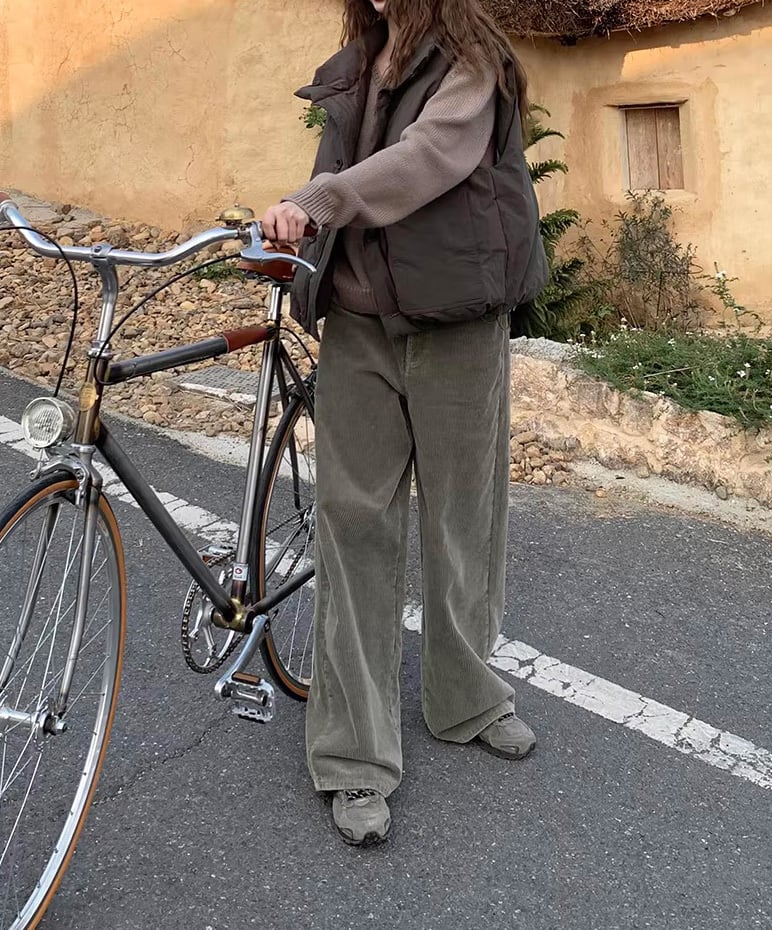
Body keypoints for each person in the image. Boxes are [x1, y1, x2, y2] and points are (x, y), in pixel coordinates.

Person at [260, 0, 548, 846]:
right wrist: (288, 235)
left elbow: (428, 157)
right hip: (358, 325)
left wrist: (317, 200)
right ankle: (353, 754)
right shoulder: (357, 61)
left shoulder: (471, 58)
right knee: (352, 527)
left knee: (461, 517)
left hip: (456, 321)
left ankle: (466, 697)